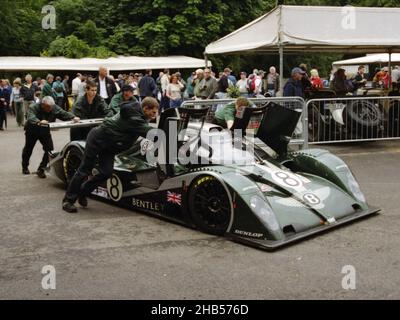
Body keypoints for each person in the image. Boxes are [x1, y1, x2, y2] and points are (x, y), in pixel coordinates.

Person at [62, 97, 159, 213]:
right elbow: (151, 134)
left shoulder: (136, 114)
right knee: (85, 169)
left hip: (109, 145)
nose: (155, 115)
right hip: (97, 140)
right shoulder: (134, 118)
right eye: (153, 112)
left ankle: (83, 192)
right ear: (145, 108)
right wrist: (169, 137)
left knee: (106, 172)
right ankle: (68, 201)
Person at [22, 96, 79, 177]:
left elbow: (63, 113)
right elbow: (30, 116)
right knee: (28, 149)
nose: (50, 109)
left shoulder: (53, 107)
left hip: (45, 131)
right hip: (32, 130)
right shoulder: (34, 107)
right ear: (42, 105)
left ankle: (41, 169)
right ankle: (25, 166)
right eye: (48, 107)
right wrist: (38, 121)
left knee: (49, 149)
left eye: (51, 107)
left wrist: (73, 117)